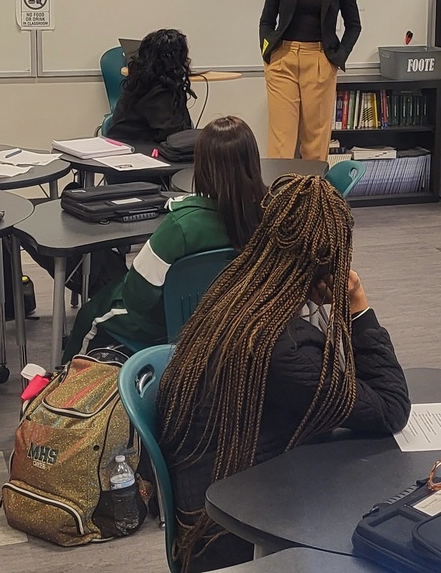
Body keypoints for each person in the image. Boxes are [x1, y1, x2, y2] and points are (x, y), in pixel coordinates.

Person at [157, 174, 410, 572]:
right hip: (238, 538)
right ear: (330, 267)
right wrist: (357, 304)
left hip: (214, 504)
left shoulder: (234, 291)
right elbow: (391, 408)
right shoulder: (286, 350)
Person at [62, 116, 267, 359]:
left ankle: (64, 381)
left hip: (167, 327)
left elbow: (138, 294)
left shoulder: (182, 225)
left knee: (90, 315)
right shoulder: (268, 215)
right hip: (229, 322)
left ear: (202, 166)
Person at [259, 0, 362, 161]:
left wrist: (338, 57)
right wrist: (268, 53)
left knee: (315, 139)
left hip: (320, 60)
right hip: (282, 60)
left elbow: (354, 25)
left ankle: (312, 194)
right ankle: (280, 194)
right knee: (281, 138)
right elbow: (266, 20)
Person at [106, 28, 195, 145]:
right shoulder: (160, 91)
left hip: (123, 145)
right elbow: (171, 135)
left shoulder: (139, 82)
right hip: (141, 150)